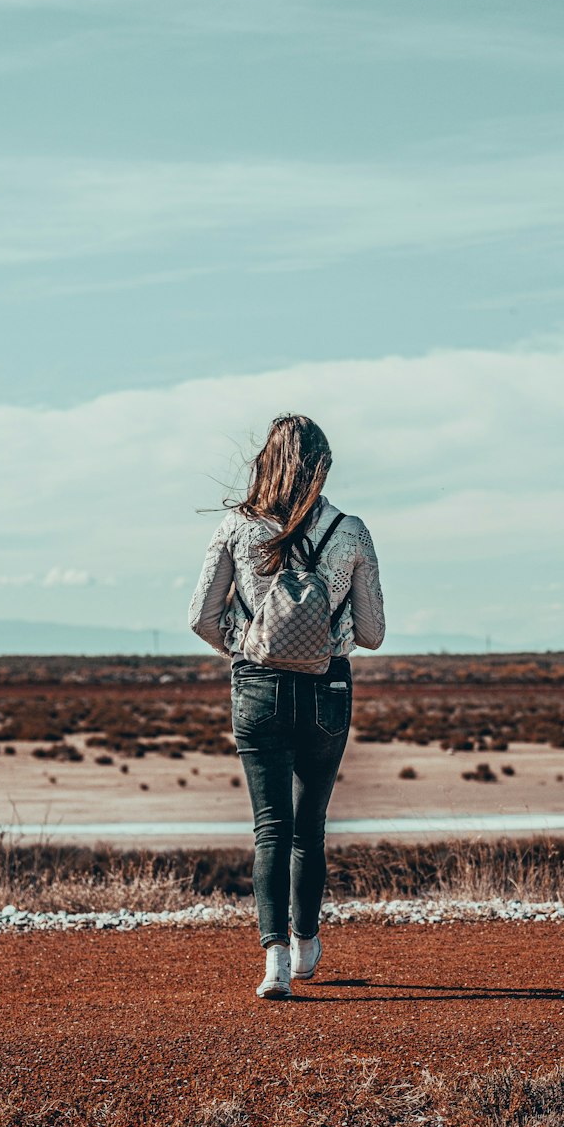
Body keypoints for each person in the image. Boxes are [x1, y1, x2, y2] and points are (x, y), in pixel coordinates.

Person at [188, 414, 385, 1000]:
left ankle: (273, 962)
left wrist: (246, 642)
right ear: (322, 464)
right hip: (327, 690)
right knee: (310, 828)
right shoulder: (350, 531)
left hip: (257, 687)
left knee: (269, 827)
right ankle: (306, 945)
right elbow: (372, 633)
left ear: (266, 460)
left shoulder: (236, 528)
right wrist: (328, 636)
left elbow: (200, 616)